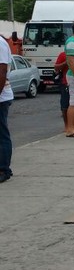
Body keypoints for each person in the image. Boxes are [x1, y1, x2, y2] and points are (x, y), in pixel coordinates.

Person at [0, 37, 14, 182]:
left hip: (1, 98)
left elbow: (2, 71)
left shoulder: (0, 43)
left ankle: (4, 169)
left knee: (1, 135)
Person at [54, 51, 70, 133]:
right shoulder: (63, 54)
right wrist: (65, 62)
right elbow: (56, 68)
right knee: (65, 106)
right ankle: (67, 125)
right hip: (66, 83)